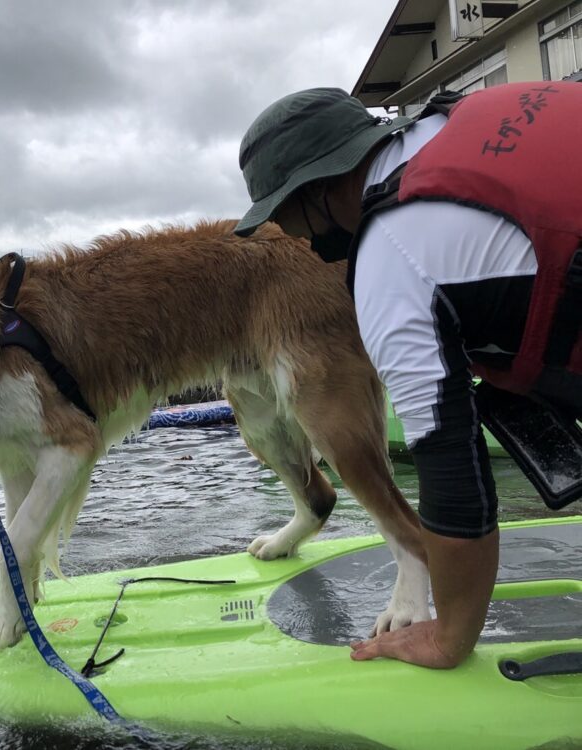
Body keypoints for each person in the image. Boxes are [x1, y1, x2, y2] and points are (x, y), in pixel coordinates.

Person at [233, 82, 582, 669]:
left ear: (318, 189)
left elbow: (452, 469)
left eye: (285, 214)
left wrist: (450, 635)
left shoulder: (392, 259)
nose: (292, 237)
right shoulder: (467, 111)